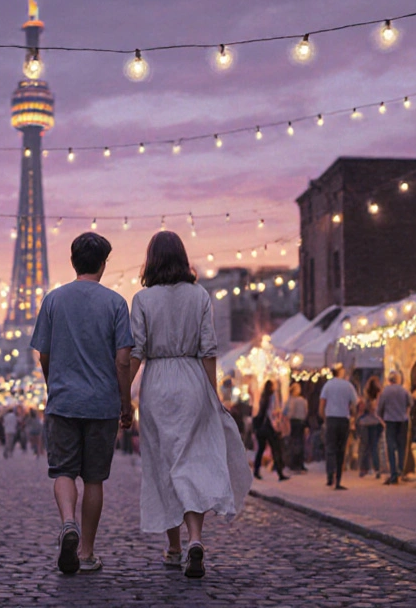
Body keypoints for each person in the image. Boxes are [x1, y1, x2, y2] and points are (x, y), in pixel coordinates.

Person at [129, 231, 251, 579]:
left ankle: (174, 547)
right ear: (183, 259)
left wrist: (123, 395)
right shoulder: (199, 295)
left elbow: (136, 352)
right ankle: (195, 538)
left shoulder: (142, 299)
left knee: (164, 464)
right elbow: (208, 350)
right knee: (193, 461)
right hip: (192, 380)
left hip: (158, 384)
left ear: (151, 260)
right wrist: (212, 395)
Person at [30, 232, 135, 575]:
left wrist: (54, 384)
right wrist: (125, 403)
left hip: (63, 401)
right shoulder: (117, 303)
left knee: (62, 471)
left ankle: (67, 523)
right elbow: (123, 361)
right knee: (93, 479)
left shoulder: (54, 300)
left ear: (73, 262)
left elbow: (43, 353)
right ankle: (87, 552)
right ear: (104, 264)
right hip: (102, 404)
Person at [320, 366, 358, 490]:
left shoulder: (327, 385)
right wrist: (354, 416)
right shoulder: (348, 385)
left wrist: (324, 418)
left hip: (331, 418)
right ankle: (338, 480)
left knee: (330, 448)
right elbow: (355, 402)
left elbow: (322, 404)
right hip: (343, 419)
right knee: (341, 450)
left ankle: (330, 476)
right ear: (341, 372)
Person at [378, 370, 415, 485]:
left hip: (390, 421)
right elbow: (411, 403)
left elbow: (380, 408)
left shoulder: (385, 391)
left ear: (389, 380)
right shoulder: (404, 390)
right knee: (401, 447)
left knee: (390, 447)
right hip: (403, 421)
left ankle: (393, 473)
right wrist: (405, 412)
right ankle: (400, 471)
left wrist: (382, 418)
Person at [252, 380, 289, 481]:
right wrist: (277, 424)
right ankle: (280, 473)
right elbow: (272, 411)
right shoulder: (273, 396)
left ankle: (256, 471)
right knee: (276, 449)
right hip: (269, 426)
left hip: (261, 427)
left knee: (260, 450)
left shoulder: (263, 397)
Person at [357, 376, 384, 479]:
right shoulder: (379, 397)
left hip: (364, 423)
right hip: (376, 423)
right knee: (374, 446)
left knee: (364, 446)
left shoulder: (364, 398)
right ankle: (377, 469)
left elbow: (360, 411)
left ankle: (363, 469)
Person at [283, 382, 309, 473]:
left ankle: (294, 463)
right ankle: (299, 463)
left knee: (294, 442)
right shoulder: (303, 401)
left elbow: (286, 412)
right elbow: (306, 412)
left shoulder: (290, 401)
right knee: (300, 442)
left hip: (294, 422)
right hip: (300, 422)